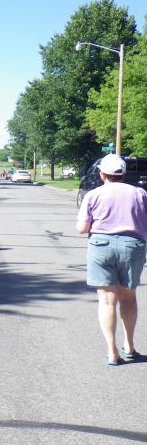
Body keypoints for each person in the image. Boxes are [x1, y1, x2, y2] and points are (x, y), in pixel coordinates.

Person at [76, 154, 147, 366]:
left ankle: (112, 351)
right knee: (128, 298)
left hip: (101, 246)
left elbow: (81, 228)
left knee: (107, 301)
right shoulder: (140, 193)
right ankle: (129, 345)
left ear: (102, 174)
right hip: (132, 246)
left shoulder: (93, 195)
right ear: (123, 174)